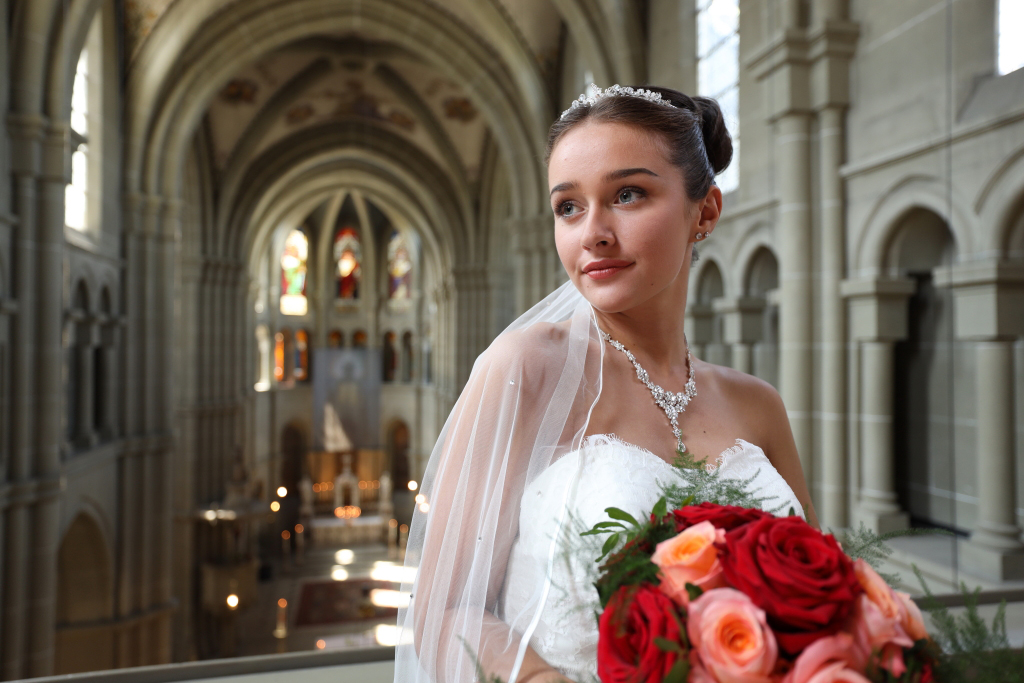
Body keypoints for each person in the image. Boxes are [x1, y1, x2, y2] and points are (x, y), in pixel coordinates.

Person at [394, 85, 818, 683]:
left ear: (706, 211)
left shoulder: (759, 405)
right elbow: (442, 610)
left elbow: (819, 588)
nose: (592, 231)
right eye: (568, 207)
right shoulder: (527, 369)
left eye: (627, 194)